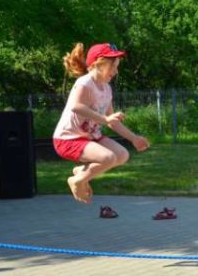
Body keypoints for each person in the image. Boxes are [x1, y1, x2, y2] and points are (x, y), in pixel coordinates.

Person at [53, 43, 149, 205]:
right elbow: (77, 106)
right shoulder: (84, 83)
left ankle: (81, 172)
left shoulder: (106, 89)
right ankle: (76, 181)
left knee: (122, 155)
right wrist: (105, 119)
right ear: (98, 64)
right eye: (113, 67)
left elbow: (112, 121)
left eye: (117, 67)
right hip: (68, 139)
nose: (116, 71)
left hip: (90, 137)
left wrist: (133, 138)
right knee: (108, 157)